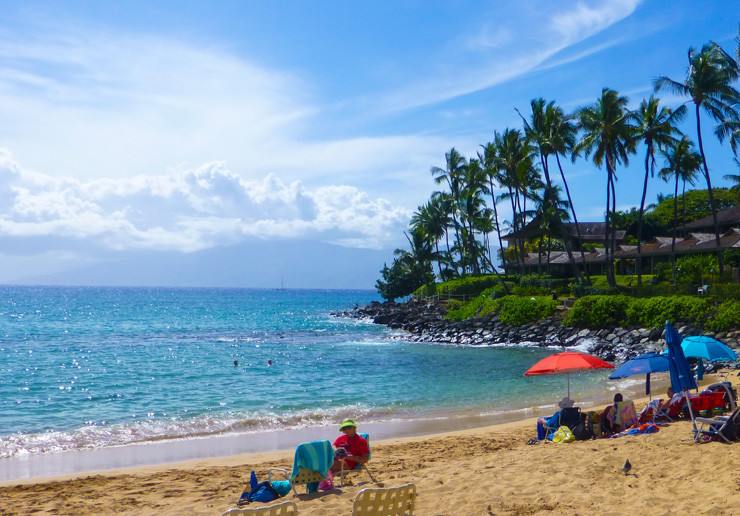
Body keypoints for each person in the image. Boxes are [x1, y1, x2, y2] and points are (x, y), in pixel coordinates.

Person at [318, 419, 370, 491]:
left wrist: (352, 458)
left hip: (347, 464)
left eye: (349, 427)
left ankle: (323, 483)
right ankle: (322, 481)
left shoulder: (360, 441)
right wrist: (336, 450)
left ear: (354, 428)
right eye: (345, 428)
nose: (347, 430)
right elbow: (333, 446)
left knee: (325, 463)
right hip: (338, 460)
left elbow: (365, 459)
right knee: (320, 458)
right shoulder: (341, 438)